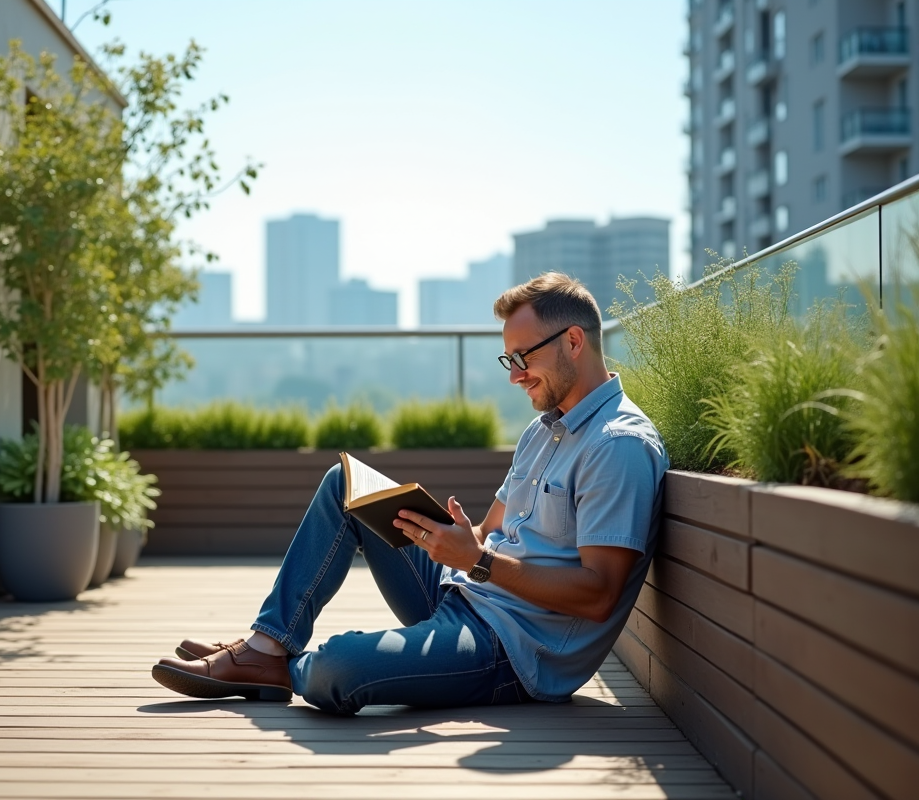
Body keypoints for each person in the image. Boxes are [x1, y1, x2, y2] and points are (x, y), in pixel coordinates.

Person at [151, 272, 669, 714]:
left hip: (510, 649)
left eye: (522, 358)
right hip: (465, 593)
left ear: (573, 342)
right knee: (346, 489)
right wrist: (451, 540)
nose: (514, 377)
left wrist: (477, 561)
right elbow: (491, 533)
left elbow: (599, 595)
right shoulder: (543, 431)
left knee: (337, 669)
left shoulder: (617, 447)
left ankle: (279, 668)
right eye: (506, 360)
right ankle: (267, 645)